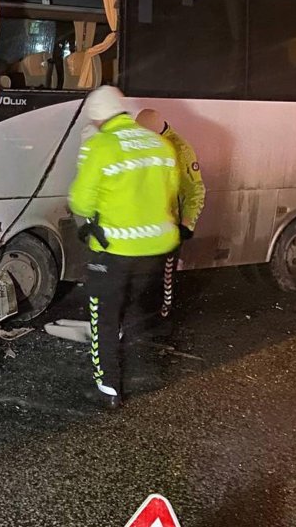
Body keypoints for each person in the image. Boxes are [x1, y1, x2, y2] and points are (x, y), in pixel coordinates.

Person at [68, 86, 179, 408]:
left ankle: (109, 389)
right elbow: (171, 194)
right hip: (157, 249)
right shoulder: (160, 143)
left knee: (103, 317)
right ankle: (146, 371)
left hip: (114, 250)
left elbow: (80, 200)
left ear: (98, 118)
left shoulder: (102, 145)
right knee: (135, 311)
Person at [136, 108, 206, 318]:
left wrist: (186, 225)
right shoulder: (149, 144)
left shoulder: (180, 150)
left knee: (164, 281)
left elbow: (195, 191)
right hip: (147, 225)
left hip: (169, 227)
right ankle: (147, 319)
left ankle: (164, 320)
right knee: (145, 278)